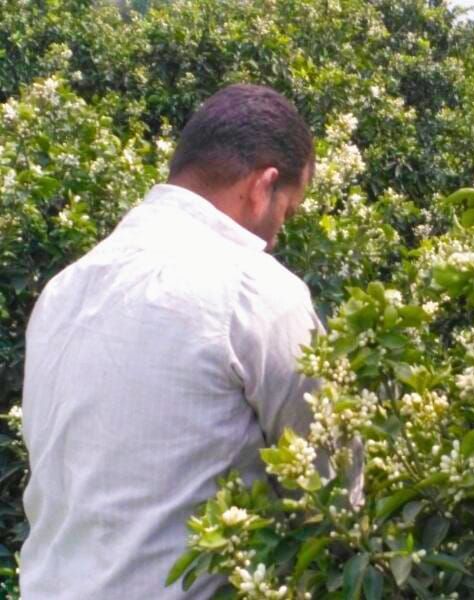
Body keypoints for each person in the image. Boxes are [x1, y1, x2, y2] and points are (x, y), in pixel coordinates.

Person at [19, 84, 322, 598]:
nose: (276, 236)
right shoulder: (257, 293)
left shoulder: (64, 289)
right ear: (262, 185)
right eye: (286, 212)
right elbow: (329, 492)